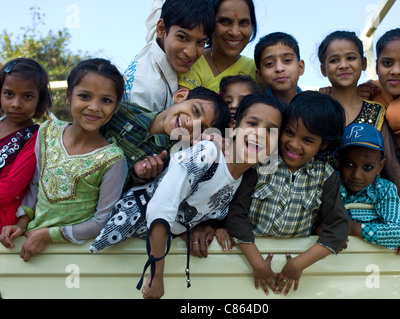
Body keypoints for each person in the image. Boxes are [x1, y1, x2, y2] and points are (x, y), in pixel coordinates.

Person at [90, 94, 285, 299]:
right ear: (234, 127)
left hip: (148, 246)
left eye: (270, 131)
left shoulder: (243, 180)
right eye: (252, 123)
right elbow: (161, 206)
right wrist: (156, 274)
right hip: (126, 227)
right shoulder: (208, 152)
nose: (258, 134)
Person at [0, 59, 127, 262]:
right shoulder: (47, 132)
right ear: (69, 97)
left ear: (115, 108)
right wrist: (21, 225)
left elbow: (101, 221)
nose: (94, 107)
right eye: (85, 96)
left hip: (77, 256)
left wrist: (49, 235)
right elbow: (35, 188)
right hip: (29, 245)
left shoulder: (113, 159)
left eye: (106, 100)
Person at [225, 91, 349, 296]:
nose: (294, 144)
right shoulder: (260, 162)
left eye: (307, 140)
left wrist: (298, 264)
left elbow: (338, 231)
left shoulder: (325, 176)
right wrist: (257, 262)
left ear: (323, 144)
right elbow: (236, 215)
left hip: (295, 274)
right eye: (289, 132)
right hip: (246, 262)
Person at [318, 30, 400, 241]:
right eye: (334, 60)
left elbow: (392, 164)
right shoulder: (317, 111)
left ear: (363, 63)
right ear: (323, 69)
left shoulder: (376, 111)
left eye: (351, 58)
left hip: (369, 215)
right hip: (321, 213)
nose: (343, 65)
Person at [103, 87, 231, 191]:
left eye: (201, 128)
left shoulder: (172, 161)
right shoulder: (121, 112)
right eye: (196, 110)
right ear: (180, 96)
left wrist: (138, 176)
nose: (191, 123)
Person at [123, 0, 215, 111]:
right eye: (182, 37)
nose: (190, 53)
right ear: (161, 29)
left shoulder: (160, 38)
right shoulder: (148, 91)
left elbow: (157, 9)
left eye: (200, 42)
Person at [337, 123, 400, 250]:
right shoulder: (332, 184)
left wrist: (352, 228)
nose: (356, 175)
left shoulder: (383, 189)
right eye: (348, 164)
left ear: (380, 166)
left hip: (374, 263)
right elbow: (319, 226)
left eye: (367, 167)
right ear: (338, 161)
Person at [0, 58, 52, 230]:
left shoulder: (36, 137)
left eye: (27, 96)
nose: (16, 104)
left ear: (40, 99)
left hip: (5, 217)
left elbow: (10, 189)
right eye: (9, 94)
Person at [178, 0, 258, 93]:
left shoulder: (257, 71)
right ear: (210, 23)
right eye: (225, 21)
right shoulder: (189, 60)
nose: (235, 32)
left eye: (243, 22)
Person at [254, 32, 305, 104]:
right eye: (270, 63)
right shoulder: (255, 108)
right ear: (259, 75)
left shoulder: (314, 106)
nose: (279, 68)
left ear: (300, 67)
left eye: (287, 60)